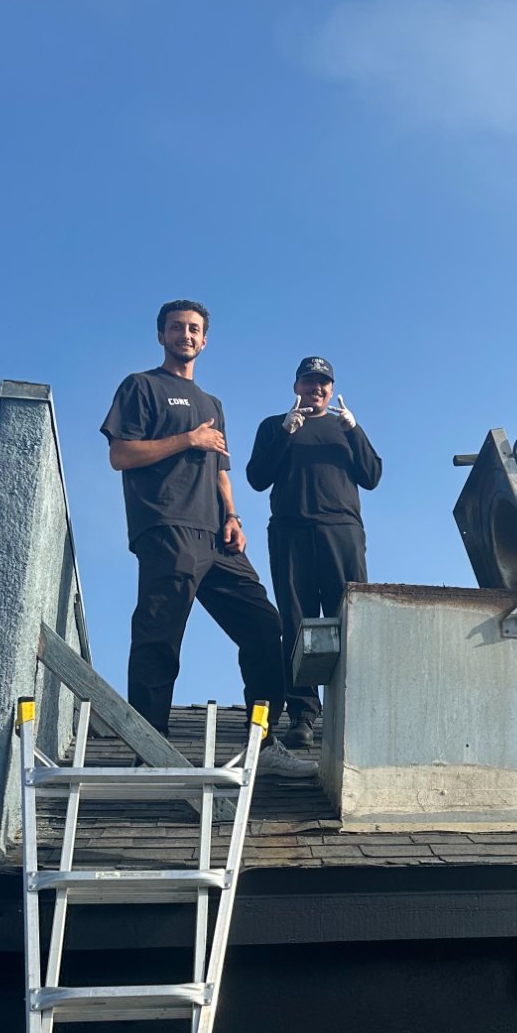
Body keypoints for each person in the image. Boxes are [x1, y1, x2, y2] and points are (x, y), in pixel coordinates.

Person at [100, 300, 308, 774]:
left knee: (264, 626)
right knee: (159, 636)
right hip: (167, 527)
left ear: (205, 339)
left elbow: (220, 470)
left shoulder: (212, 404)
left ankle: (262, 743)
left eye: (194, 329)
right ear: (162, 335)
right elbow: (120, 455)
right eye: (177, 327)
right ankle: (148, 752)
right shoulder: (141, 386)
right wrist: (187, 439)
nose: (186, 335)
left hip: (217, 535)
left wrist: (232, 516)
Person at [246, 356, 383, 753]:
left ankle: (353, 711)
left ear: (331, 388)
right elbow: (256, 478)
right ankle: (303, 715)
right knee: (296, 622)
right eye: (309, 382)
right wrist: (285, 433)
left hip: (342, 532)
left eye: (323, 383)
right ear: (296, 387)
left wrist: (355, 430)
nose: (316, 389)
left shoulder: (344, 428)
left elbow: (372, 476)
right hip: (290, 533)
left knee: (349, 618)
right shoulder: (274, 426)